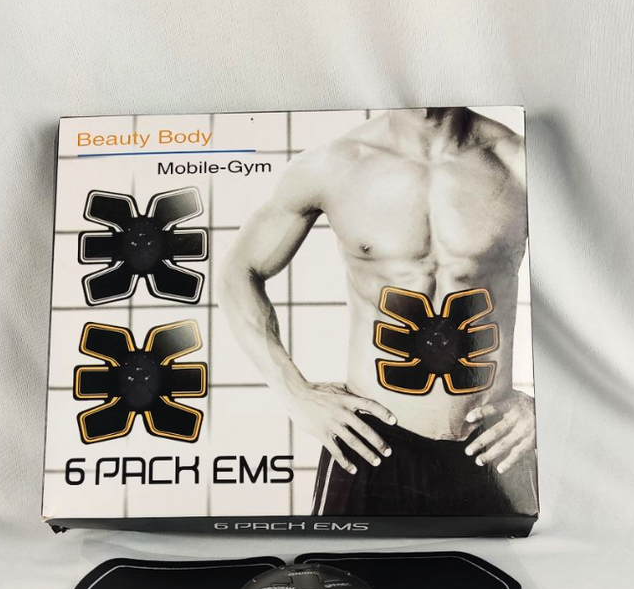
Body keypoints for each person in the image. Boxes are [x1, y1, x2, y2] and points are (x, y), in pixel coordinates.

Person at [219, 108, 537, 516]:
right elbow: (238, 271)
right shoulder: (336, 164)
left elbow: (597, 291)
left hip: (496, 446)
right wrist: (293, 392)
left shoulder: (519, 163)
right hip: (369, 444)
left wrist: (545, 406)